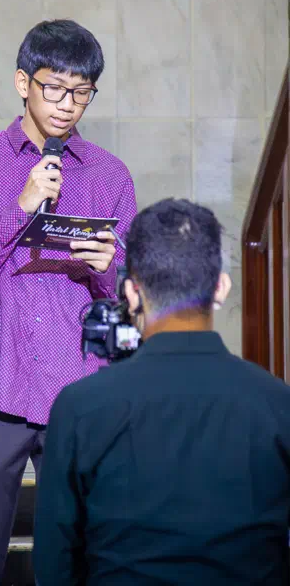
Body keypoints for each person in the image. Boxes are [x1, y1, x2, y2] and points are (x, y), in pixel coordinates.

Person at [0, 19, 137, 585]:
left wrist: (109, 268)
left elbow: (130, 299)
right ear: (23, 82)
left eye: (82, 92)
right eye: (55, 88)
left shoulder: (111, 176)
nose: (68, 105)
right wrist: (20, 209)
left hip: (80, 386)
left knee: (79, 558)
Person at [34, 198, 290, 586]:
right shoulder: (277, 404)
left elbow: (54, 563)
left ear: (131, 293)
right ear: (221, 287)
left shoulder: (80, 406)